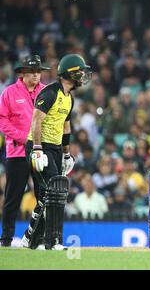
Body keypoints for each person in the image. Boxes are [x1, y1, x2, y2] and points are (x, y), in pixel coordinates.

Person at [21, 54, 91, 250]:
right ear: (68, 74)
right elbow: (36, 121)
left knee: (46, 195)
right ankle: (53, 241)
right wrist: (36, 149)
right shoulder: (50, 92)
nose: (83, 75)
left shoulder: (69, 98)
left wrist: (66, 154)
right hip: (39, 146)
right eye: (79, 71)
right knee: (55, 191)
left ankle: (31, 239)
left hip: (55, 148)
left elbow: (66, 128)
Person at [0, 55, 47, 247]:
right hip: (17, 152)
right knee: (13, 197)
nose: (36, 75)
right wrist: (23, 138)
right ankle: (6, 238)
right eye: (32, 71)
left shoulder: (46, 91)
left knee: (42, 196)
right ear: (22, 73)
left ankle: (39, 238)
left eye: (38, 71)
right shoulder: (9, 92)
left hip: (40, 151)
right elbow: (2, 120)